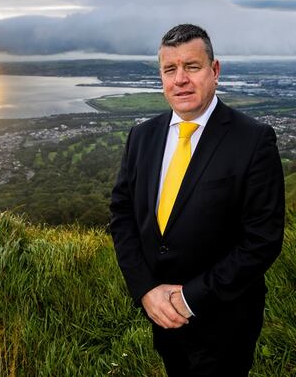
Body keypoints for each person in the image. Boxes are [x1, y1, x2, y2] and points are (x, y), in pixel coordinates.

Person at [109, 24, 285, 376]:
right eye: (170, 70)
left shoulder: (253, 140)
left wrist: (190, 299)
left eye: (192, 67)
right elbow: (122, 214)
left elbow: (262, 240)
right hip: (160, 314)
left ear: (214, 71)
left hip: (225, 320)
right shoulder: (142, 136)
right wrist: (146, 290)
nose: (180, 80)